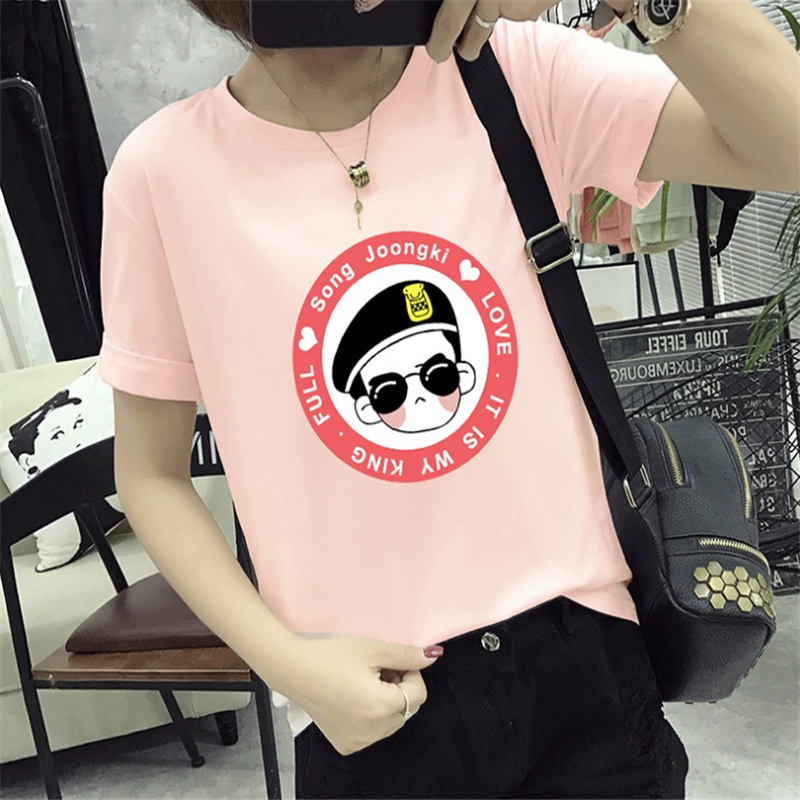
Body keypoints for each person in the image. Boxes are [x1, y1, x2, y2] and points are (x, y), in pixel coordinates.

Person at [98, 1, 798, 797]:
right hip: (370, 700)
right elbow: (150, 474)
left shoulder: (515, 74)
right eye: (391, 392)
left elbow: (786, 142)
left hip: (585, 669)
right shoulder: (164, 173)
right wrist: (286, 664)